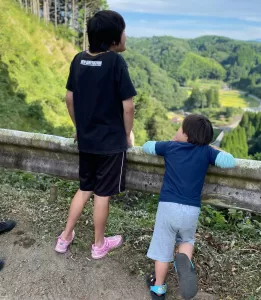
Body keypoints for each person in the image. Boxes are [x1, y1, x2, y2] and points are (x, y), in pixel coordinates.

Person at [55, 10, 136, 260]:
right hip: (110, 144)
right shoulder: (115, 62)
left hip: (87, 140)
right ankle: (98, 244)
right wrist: (127, 134)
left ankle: (65, 237)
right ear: (113, 39)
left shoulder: (79, 59)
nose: (126, 35)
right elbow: (129, 106)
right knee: (102, 194)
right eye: (123, 31)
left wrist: (79, 127)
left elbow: (70, 98)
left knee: (84, 188)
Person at [142, 114, 236, 300]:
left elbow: (147, 146)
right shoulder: (206, 152)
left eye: (180, 129)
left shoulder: (170, 147)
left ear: (186, 134)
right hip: (191, 210)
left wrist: (168, 142)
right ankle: (184, 264)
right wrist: (210, 147)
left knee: (163, 248)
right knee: (186, 240)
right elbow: (229, 161)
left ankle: (159, 287)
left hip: (168, 207)